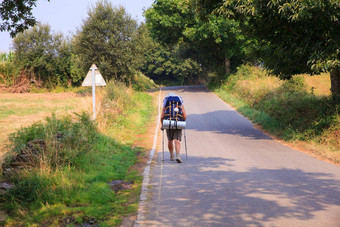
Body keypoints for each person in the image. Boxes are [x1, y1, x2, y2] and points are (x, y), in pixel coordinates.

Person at [160, 93, 187, 163]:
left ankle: (171, 155)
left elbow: (162, 116)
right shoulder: (180, 104)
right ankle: (178, 155)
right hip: (178, 123)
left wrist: (162, 125)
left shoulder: (166, 104)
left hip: (168, 123)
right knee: (177, 140)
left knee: (170, 140)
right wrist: (182, 120)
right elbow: (185, 115)